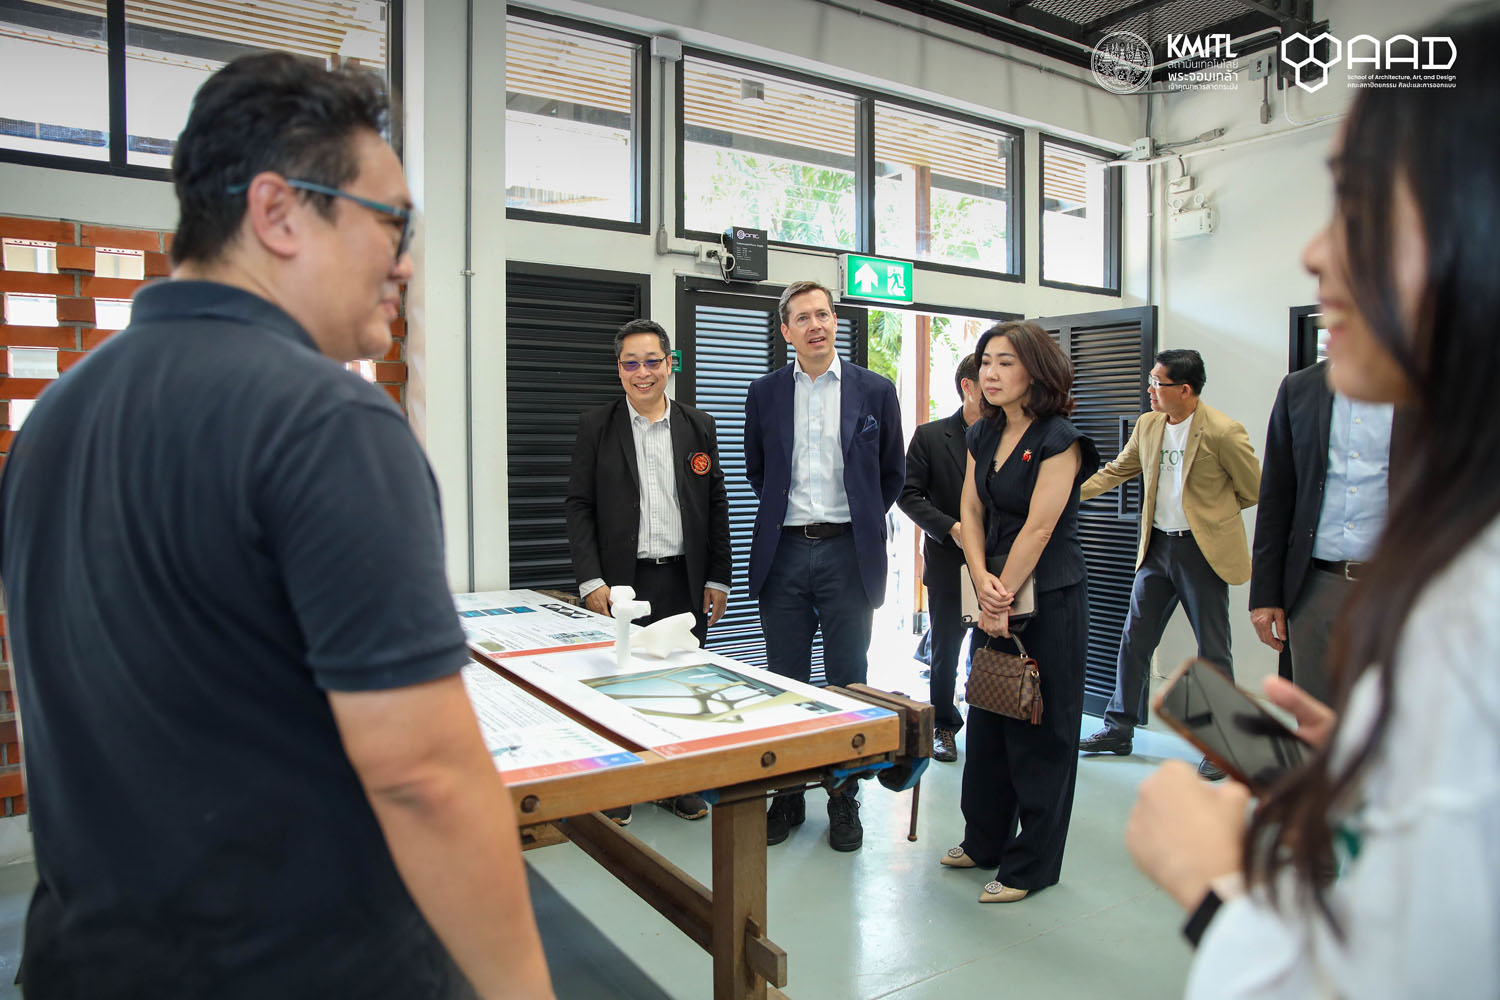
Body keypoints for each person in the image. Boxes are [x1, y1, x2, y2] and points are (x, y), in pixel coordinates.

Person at [0, 54, 553, 999]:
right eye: (393, 223)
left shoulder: (54, 415)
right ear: (279, 212)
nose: (406, 262)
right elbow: (424, 777)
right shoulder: (329, 422)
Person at [1126, 7, 1500, 994]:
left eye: (1361, 205)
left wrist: (1212, 884)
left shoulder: (1474, 620)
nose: (1316, 253)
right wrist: (1389, 774)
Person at [940, 321, 1098, 904]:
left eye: (1005, 362)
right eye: (986, 362)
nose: (990, 373)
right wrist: (982, 580)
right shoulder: (983, 432)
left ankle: (1031, 865)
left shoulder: (1061, 439)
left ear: (1035, 369)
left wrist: (999, 593)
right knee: (987, 718)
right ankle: (983, 840)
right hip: (992, 595)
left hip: (1048, 598)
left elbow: (1040, 527)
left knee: (1042, 732)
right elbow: (970, 509)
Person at [744, 279, 904, 852]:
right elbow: (758, 471)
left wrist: (854, 521)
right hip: (784, 551)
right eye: (802, 318)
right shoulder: (764, 392)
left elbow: (891, 474)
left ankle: (843, 797)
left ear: (835, 320)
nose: (815, 324)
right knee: (784, 681)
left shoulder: (875, 390)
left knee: (848, 680)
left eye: (823, 314)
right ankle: (787, 794)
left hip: (847, 552)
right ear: (785, 331)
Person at [565, 317, 731, 824]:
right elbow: (579, 505)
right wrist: (591, 580)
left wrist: (717, 577)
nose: (643, 373)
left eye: (652, 361)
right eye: (631, 363)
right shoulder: (597, 425)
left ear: (669, 364)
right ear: (619, 369)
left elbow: (716, 504)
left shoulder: (698, 425)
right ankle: (620, 786)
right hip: (621, 583)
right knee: (619, 682)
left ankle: (675, 784)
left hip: (683, 578)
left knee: (681, 682)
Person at [1077, 349, 1261, 778]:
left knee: (1212, 650)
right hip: (1157, 548)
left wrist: (1211, 519)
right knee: (1134, 640)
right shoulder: (1149, 425)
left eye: (1158, 383)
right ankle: (1118, 728)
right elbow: (1118, 470)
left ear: (1185, 390)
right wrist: (1066, 495)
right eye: (1151, 380)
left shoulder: (1223, 431)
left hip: (1201, 552)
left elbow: (1252, 488)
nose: (1150, 389)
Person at [1248, 360, 1392, 703]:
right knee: (1314, 714)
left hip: (1393, 586)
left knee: (1389, 715)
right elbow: (1276, 495)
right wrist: (1265, 596)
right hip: (1315, 586)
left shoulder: (1423, 383)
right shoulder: (1299, 388)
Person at [898, 355, 984, 763]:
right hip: (951, 560)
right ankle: (943, 726)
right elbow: (907, 494)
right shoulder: (931, 436)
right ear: (968, 386)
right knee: (945, 650)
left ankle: (989, 722)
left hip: (1003, 561)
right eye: (989, 377)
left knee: (993, 647)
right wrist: (951, 528)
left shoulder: (1013, 435)